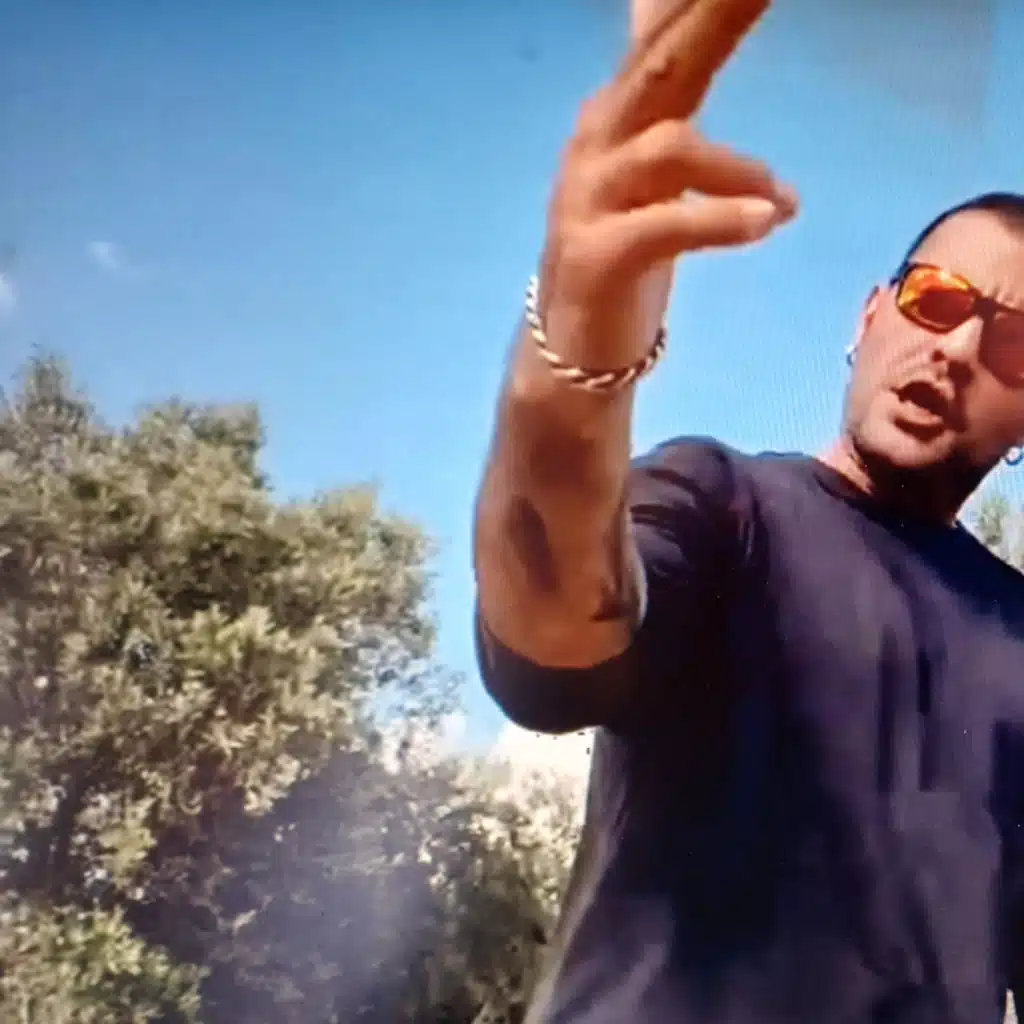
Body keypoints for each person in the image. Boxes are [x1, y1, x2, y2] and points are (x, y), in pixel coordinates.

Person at [472, 0, 1024, 1021]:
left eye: (1014, 343)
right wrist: (570, 366)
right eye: (936, 301)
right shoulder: (724, 502)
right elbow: (552, 640)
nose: (954, 350)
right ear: (871, 318)